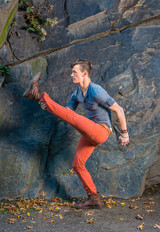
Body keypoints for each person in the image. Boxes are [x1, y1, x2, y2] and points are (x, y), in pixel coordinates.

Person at [23, 59, 129, 209]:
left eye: (75, 72)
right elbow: (66, 113)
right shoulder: (78, 92)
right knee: (77, 164)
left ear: (84, 74)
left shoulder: (96, 91)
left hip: (101, 131)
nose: (71, 75)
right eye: (72, 72)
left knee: (69, 117)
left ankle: (38, 94)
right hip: (89, 133)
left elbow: (119, 110)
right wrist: (45, 105)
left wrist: (124, 134)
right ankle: (94, 199)